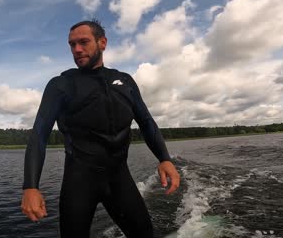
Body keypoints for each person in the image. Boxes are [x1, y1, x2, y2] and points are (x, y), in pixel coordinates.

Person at [21, 20, 180, 238]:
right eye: (72, 44)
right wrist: (30, 187)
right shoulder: (61, 85)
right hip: (79, 182)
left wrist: (165, 158)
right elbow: (39, 135)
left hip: (119, 178)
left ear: (102, 42)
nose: (77, 49)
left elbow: (146, 122)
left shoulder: (125, 81)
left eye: (83, 42)